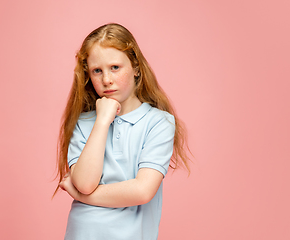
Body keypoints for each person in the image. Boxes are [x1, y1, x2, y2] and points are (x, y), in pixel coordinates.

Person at [55, 23, 191, 240]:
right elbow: (85, 183)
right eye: (97, 71)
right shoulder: (84, 122)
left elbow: (142, 191)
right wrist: (102, 121)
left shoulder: (158, 123)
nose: (106, 79)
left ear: (136, 68)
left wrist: (82, 196)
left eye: (115, 68)